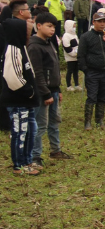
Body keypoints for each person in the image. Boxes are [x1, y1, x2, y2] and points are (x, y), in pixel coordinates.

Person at [1, 1, 41, 175]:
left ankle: (27, 161)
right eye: (27, 30)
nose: (30, 32)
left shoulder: (22, 48)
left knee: (30, 131)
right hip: (18, 100)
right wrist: (29, 91)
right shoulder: (12, 50)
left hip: (27, 101)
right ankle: (19, 165)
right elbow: (12, 78)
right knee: (19, 133)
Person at [29, 11, 71, 167]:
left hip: (53, 89)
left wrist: (58, 89)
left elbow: (54, 69)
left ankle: (55, 149)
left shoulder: (50, 43)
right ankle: (35, 156)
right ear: (38, 26)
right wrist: (46, 93)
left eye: (54, 26)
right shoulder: (34, 46)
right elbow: (37, 73)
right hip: (42, 92)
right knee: (40, 124)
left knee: (54, 121)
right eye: (49, 26)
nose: (52, 29)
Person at [77, 9, 105, 130]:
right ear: (94, 22)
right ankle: (87, 122)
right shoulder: (86, 37)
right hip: (93, 72)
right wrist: (86, 70)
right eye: (100, 21)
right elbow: (81, 55)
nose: (103, 24)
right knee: (92, 96)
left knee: (103, 96)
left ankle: (99, 120)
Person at [62, 20, 82, 91]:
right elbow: (67, 47)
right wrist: (74, 53)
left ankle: (76, 84)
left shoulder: (74, 35)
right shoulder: (66, 36)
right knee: (70, 71)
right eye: (73, 26)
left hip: (76, 56)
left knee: (76, 71)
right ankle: (68, 85)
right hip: (70, 57)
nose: (74, 28)